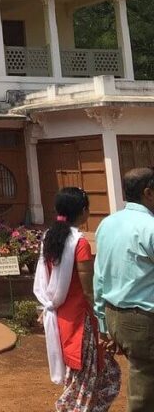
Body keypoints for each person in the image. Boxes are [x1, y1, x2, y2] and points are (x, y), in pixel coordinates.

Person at [34, 187, 120, 412]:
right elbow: (89, 290)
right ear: (83, 211)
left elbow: (47, 279)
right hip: (81, 323)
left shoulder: (49, 238)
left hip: (61, 317)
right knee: (84, 381)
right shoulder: (79, 243)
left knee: (100, 374)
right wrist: (104, 322)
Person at [94, 167, 154, 412]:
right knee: (145, 389)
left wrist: (103, 324)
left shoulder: (107, 223)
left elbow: (99, 277)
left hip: (114, 315)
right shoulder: (149, 227)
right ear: (148, 192)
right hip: (142, 320)